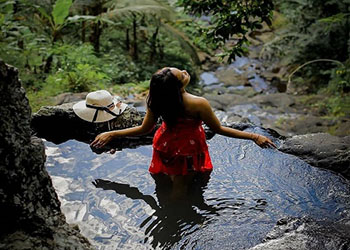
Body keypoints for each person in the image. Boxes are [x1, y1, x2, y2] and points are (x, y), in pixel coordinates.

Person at [91, 67, 276, 181]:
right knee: (180, 191)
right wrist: (254, 136)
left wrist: (114, 133)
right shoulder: (198, 103)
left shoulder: (155, 98)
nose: (185, 72)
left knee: (164, 179)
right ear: (179, 86)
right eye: (182, 75)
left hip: (164, 143)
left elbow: (144, 129)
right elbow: (218, 129)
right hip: (188, 149)